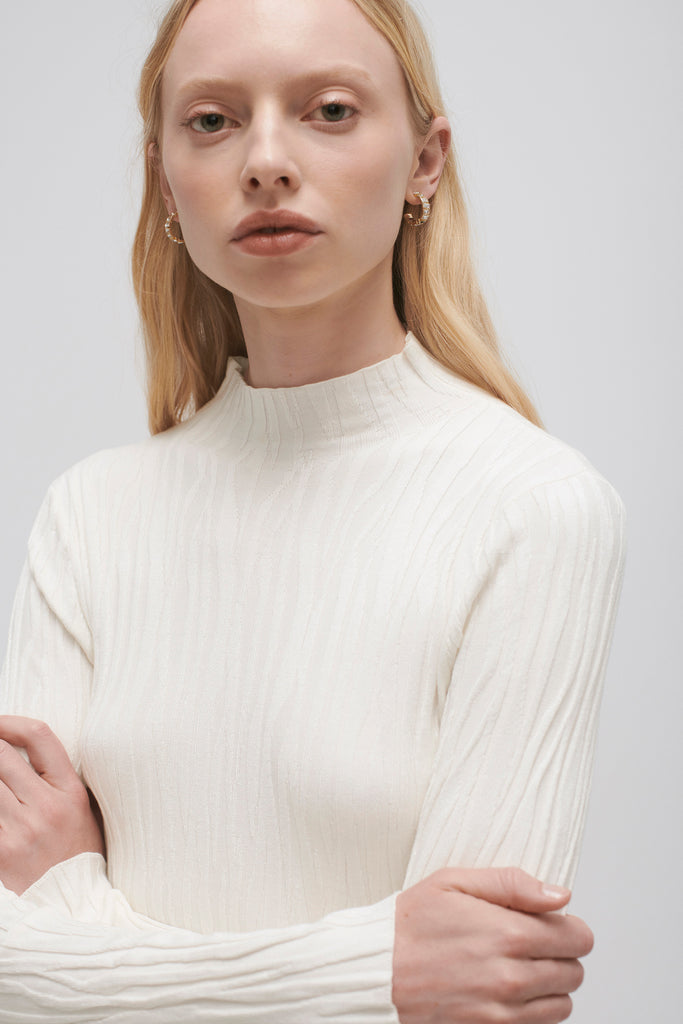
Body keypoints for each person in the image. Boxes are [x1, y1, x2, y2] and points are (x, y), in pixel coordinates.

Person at [0, 0, 626, 1020]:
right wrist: (373, 975)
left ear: (425, 160)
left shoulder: (533, 510)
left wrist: (71, 912)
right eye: (211, 120)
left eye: (329, 110)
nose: (265, 161)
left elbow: (475, 999)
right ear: (164, 177)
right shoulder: (90, 516)